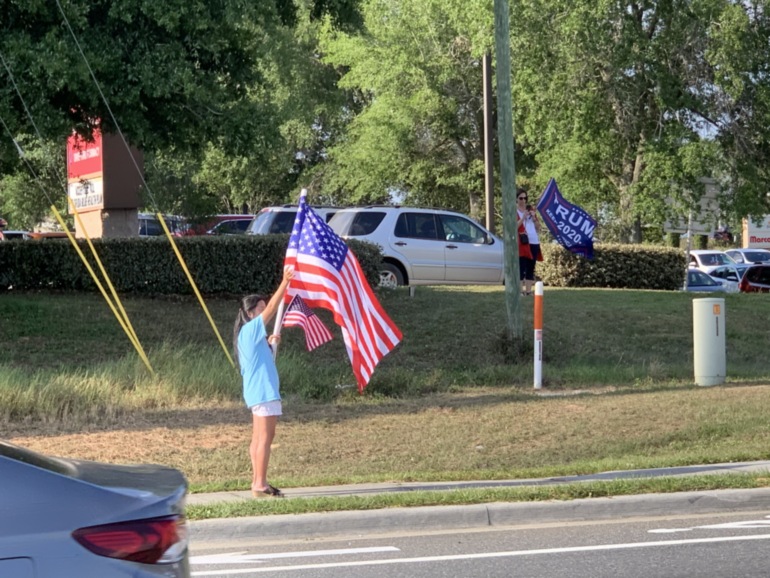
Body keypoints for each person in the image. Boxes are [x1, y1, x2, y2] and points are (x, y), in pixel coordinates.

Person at [233, 266, 294, 498]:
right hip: (263, 393)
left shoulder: (250, 335)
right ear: (250, 313)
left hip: (259, 392)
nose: (263, 311)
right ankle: (260, 483)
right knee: (265, 439)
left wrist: (269, 342)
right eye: (258, 308)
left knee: (259, 438)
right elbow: (271, 308)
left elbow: (260, 358)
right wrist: (285, 282)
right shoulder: (250, 329)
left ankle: (258, 480)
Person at [516, 189, 543, 295]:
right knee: (521, 266)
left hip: (534, 241)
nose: (523, 200)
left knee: (531, 267)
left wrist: (534, 218)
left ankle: (528, 291)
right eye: (521, 198)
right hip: (523, 242)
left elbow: (538, 228)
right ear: (516, 199)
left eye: (525, 198)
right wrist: (523, 217)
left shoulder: (531, 210)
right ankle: (520, 291)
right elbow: (514, 226)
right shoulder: (515, 211)